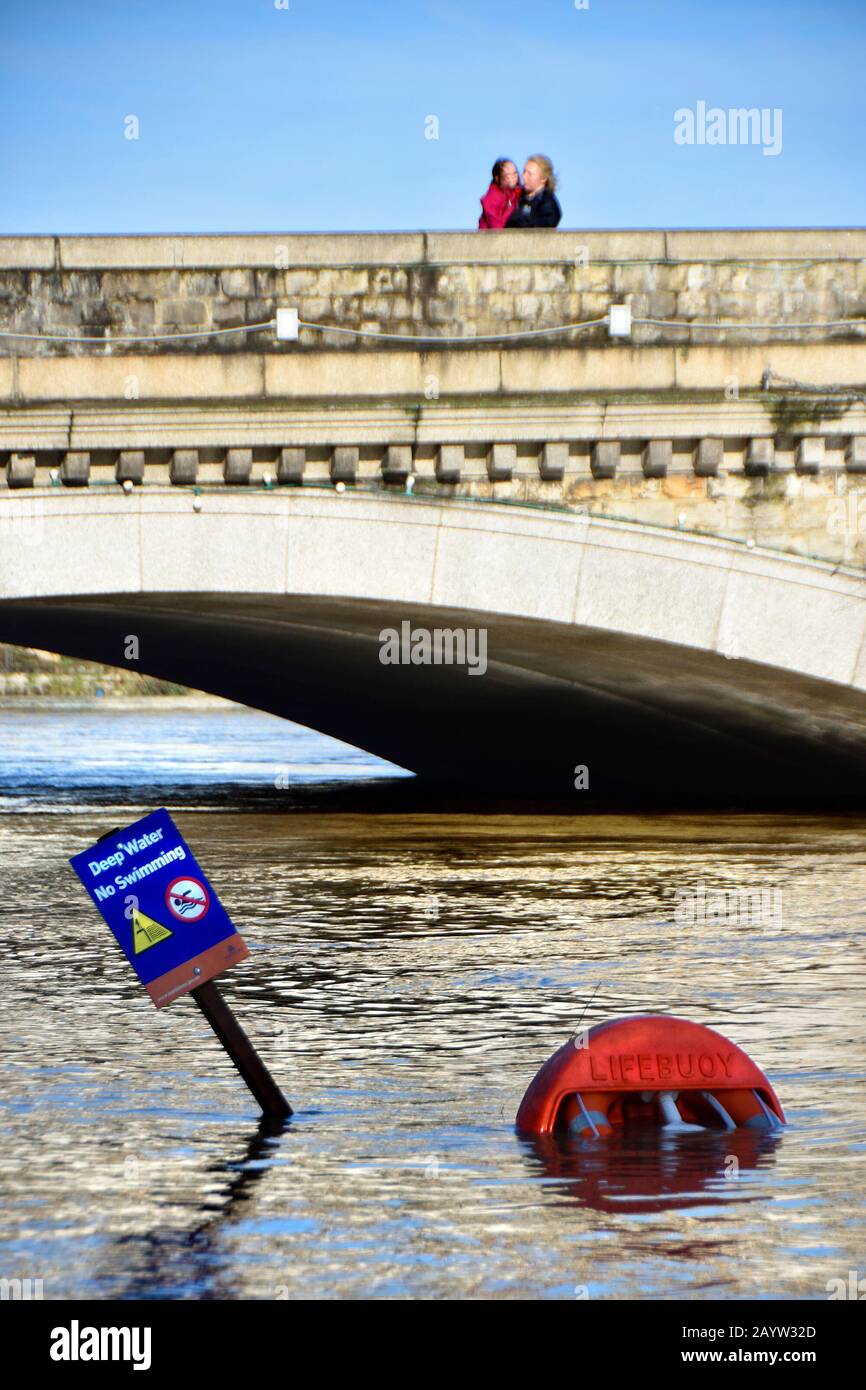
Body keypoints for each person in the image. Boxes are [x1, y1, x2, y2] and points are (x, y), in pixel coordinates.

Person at [505, 155, 562, 228]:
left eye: (529, 174)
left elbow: (546, 225)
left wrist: (521, 221)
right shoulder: (515, 195)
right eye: (524, 172)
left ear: (543, 178)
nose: (524, 176)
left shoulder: (548, 203)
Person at [477, 158, 522, 230]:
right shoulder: (492, 197)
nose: (512, 177)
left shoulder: (519, 192)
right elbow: (495, 225)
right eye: (507, 175)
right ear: (498, 178)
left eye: (515, 173)